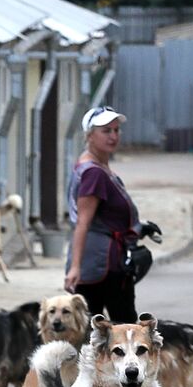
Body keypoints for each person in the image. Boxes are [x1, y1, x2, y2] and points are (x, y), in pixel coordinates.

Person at [65, 106, 140, 322]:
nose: (114, 136)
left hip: (105, 261)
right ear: (89, 135)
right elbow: (83, 222)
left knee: (113, 330)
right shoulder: (94, 172)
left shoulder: (99, 165)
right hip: (100, 265)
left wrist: (138, 227)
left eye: (116, 130)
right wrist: (75, 267)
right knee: (121, 331)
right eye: (106, 131)